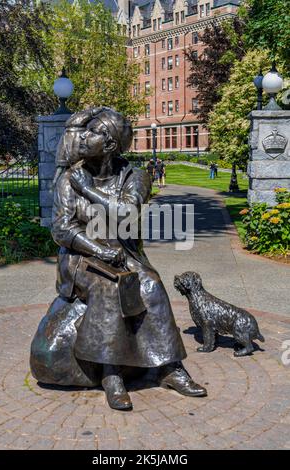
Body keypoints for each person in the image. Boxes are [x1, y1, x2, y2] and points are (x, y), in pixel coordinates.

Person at [31, 107, 207, 412]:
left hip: (124, 255)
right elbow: (62, 229)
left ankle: (169, 368)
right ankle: (111, 374)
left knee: (151, 284)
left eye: (94, 132)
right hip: (81, 257)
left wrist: (90, 192)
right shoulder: (71, 178)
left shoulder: (134, 176)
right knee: (107, 287)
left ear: (111, 144)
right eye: (85, 132)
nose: (85, 137)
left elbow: (128, 212)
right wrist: (99, 250)